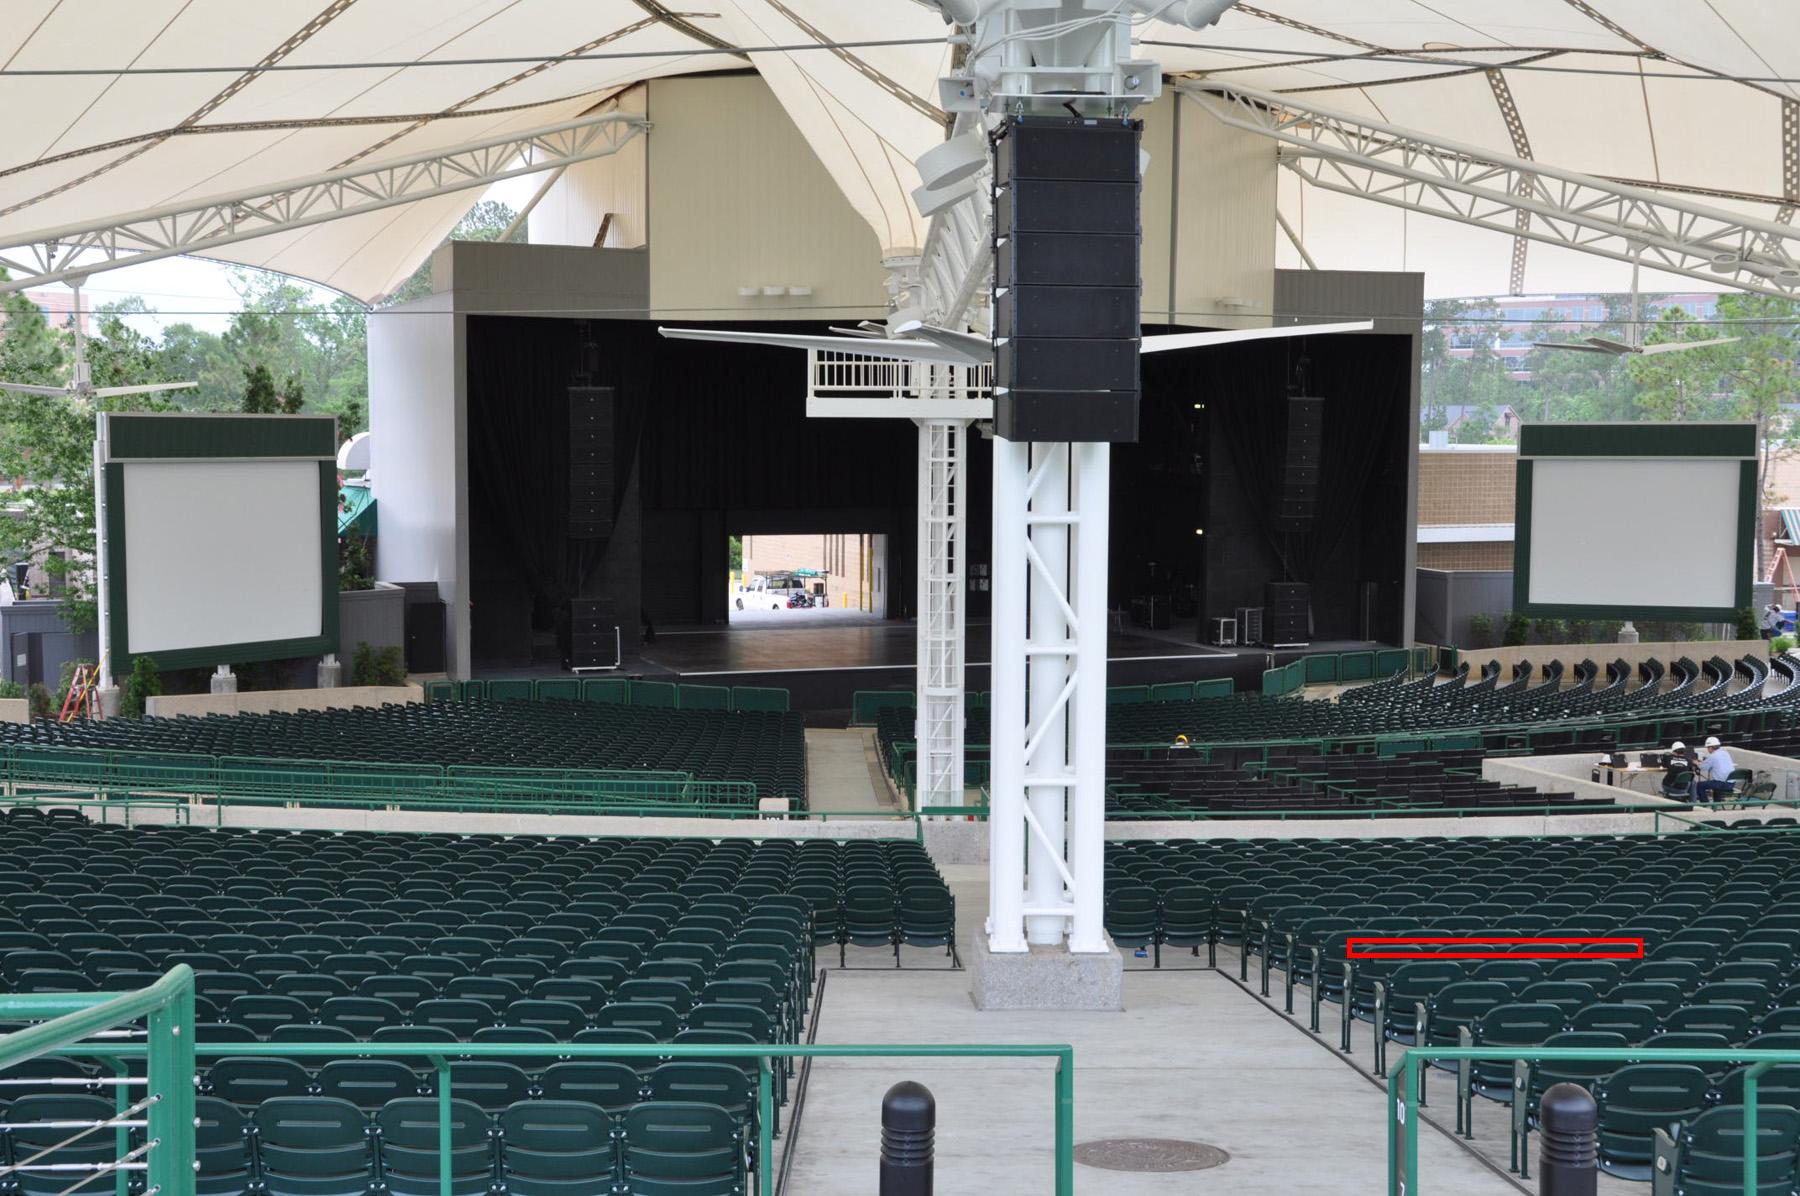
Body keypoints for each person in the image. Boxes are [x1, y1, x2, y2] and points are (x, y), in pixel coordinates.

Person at [1693, 735, 1739, 804]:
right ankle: (1716, 803)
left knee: (1700, 785)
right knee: (1715, 784)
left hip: (1722, 784)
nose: (1707, 750)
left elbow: (1703, 767)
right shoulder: (1725, 753)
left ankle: (1705, 804)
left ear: (1711, 748)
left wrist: (1696, 762)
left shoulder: (1713, 756)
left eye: (1708, 748)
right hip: (1731, 783)